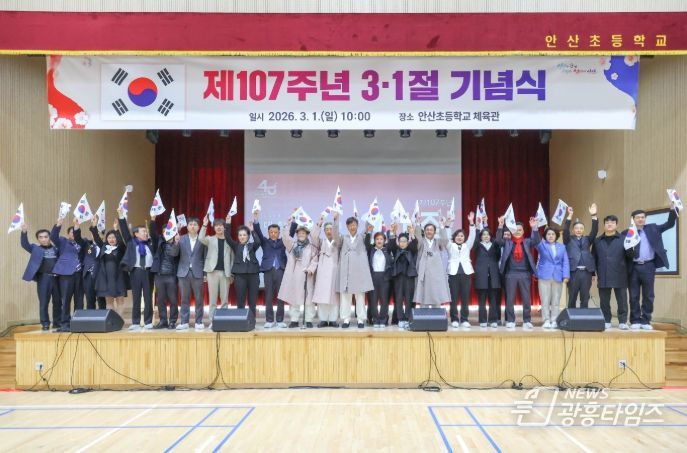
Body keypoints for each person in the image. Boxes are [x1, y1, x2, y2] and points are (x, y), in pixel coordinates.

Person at [626, 205, 677, 330]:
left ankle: (646, 320)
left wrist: (673, 210)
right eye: (638, 217)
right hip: (633, 267)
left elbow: (669, 224)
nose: (640, 219)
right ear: (633, 219)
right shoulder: (628, 233)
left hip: (648, 266)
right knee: (633, 295)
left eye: (643, 217)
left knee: (648, 295)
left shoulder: (653, 228)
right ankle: (635, 320)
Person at [495, 216, 540, 329]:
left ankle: (527, 320)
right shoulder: (508, 242)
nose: (518, 232)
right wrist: (500, 225)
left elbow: (536, 241)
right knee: (510, 299)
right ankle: (510, 320)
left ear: (523, 231)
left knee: (526, 298)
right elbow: (498, 240)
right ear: (511, 231)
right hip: (511, 274)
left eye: (520, 230)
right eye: (515, 230)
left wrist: (534, 228)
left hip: (525, 274)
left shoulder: (527, 241)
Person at [252, 211, 295, 328]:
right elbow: (258, 232)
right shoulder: (265, 241)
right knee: (268, 296)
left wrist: (293, 222)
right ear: (268, 232)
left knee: (281, 296)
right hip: (268, 271)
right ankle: (269, 320)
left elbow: (291, 234)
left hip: (280, 270)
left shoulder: (283, 241)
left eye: (275, 232)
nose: (273, 234)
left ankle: (280, 320)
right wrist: (256, 219)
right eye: (271, 232)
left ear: (279, 233)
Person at [119, 208, 158, 331]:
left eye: (146, 231)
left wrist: (153, 220)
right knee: (136, 298)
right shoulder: (131, 243)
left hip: (148, 272)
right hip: (136, 272)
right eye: (143, 232)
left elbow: (153, 233)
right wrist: (121, 216)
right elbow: (125, 231)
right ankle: (135, 322)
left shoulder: (150, 243)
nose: (146, 233)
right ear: (136, 234)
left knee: (148, 297)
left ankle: (148, 322)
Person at [592, 215, 632, 330]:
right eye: (607, 222)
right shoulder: (597, 241)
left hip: (620, 274)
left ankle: (623, 321)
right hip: (603, 274)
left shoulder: (624, 239)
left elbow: (629, 258)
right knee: (604, 300)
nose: (609, 224)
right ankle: (606, 320)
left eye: (612, 222)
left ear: (616, 225)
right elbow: (593, 258)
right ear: (604, 225)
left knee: (622, 300)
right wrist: (593, 273)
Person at [20, 224, 61, 331]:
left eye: (46, 237)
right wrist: (24, 232)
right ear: (38, 239)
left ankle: (57, 322)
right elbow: (24, 244)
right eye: (41, 237)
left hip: (57, 279)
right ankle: (45, 323)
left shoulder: (56, 249)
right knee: (44, 302)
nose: (43, 239)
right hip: (43, 279)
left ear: (49, 237)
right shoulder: (35, 248)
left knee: (57, 302)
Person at [279, 220, 319, 328]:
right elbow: (285, 238)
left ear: (307, 234)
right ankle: (294, 319)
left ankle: (309, 320)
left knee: (308, 300)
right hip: (295, 276)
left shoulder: (311, 247)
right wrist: (287, 225)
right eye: (299, 233)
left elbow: (315, 260)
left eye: (303, 233)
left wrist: (310, 269)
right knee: (294, 298)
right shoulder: (293, 245)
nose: (301, 234)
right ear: (297, 234)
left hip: (307, 276)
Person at [336, 216, 374, 328]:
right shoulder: (343, 238)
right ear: (347, 227)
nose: (352, 227)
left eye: (354, 225)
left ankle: (361, 319)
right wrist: (336, 221)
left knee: (360, 297)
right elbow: (335, 235)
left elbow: (367, 229)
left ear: (357, 226)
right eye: (350, 225)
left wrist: (370, 216)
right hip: (346, 272)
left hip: (359, 272)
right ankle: (346, 319)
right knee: (345, 297)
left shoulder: (362, 237)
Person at [50, 217, 84, 332]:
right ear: (68, 234)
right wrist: (58, 224)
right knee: (66, 299)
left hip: (79, 273)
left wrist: (76, 226)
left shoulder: (82, 242)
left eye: (75, 232)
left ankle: (78, 322)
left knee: (79, 299)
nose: (73, 234)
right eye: (71, 232)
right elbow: (53, 237)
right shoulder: (63, 241)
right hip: (66, 274)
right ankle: (65, 323)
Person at [200, 216, 234, 329]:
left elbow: (232, 258)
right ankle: (212, 321)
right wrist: (204, 225)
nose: (219, 227)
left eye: (221, 225)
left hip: (225, 273)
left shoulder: (229, 241)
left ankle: (223, 321)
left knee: (224, 299)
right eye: (217, 226)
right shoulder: (210, 239)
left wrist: (232, 274)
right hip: (212, 272)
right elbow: (200, 238)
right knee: (213, 299)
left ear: (224, 227)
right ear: (214, 228)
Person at [89, 216, 128, 314]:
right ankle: (111, 320)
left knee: (120, 301)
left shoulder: (120, 248)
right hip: (105, 278)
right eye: (109, 237)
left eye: (113, 237)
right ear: (106, 239)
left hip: (119, 277)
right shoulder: (103, 247)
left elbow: (121, 242)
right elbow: (96, 238)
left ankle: (119, 320)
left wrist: (116, 229)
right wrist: (94, 226)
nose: (111, 239)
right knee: (109, 302)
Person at [225, 215, 262, 318]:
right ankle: (240, 320)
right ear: (238, 237)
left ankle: (252, 321)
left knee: (252, 301)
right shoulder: (236, 246)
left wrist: (252, 230)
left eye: (244, 235)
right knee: (240, 300)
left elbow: (258, 242)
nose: (242, 237)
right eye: (240, 235)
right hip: (240, 276)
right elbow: (227, 237)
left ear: (248, 236)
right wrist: (228, 224)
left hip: (253, 275)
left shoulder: (252, 246)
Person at [562, 204, 598, 308]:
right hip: (573, 272)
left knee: (585, 297)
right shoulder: (568, 239)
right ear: (573, 230)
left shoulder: (588, 239)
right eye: (576, 228)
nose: (579, 230)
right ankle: (571, 316)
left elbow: (594, 231)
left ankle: (584, 316)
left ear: (583, 230)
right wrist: (570, 215)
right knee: (572, 297)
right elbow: (565, 230)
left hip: (586, 272)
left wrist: (593, 215)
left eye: (581, 228)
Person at [310, 212, 341, 327]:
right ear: (324, 231)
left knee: (334, 297)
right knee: (322, 296)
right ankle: (323, 319)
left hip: (334, 272)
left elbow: (337, 234)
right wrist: (319, 224)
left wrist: (335, 220)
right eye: (327, 229)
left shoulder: (338, 242)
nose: (329, 231)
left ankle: (333, 319)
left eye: (331, 229)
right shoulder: (321, 242)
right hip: (322, 273)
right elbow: (313, 237)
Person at [535, 227, 570, 329]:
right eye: (548, 234)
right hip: (544, 275)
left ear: (556, 236)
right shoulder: (541, 245)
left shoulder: (562, 247)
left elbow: (565, 262)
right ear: (545, 236)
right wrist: (534, 228)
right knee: (545, 300)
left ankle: (554, 320)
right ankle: (546, 320)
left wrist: (566, 275)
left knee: (556, 300)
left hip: (557, 275)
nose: (550, 236)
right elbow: (535, 239)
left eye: (553, 234)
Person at [176, 217, 207, 331]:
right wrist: (176, 242)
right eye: (191, 224)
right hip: (183, 273)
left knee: (199, 298)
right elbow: (174, 254)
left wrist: (205, 274)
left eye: (195, 224)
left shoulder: (202, 239)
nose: (193, 226)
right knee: (184, 298)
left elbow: (205, 257)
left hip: (198, 273)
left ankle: (198, 321)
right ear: (187, 226)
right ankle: (184, 322)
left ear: (199, 227)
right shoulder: (181, 238)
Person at [447, 212, 476, 328]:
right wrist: (448, 225)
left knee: (465, 298)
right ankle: (454, 319)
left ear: (464, 238)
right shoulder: (450, 245)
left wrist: (471, 222)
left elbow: (472, 236)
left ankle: (464, 319)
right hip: (453, 274)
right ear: (454, 237)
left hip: (466, 274)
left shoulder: (467, 246)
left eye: (462, 236)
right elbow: (446, 237)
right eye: (458, 236)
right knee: (453, 298)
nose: (460, 237)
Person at [413, 215, 451, 307]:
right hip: (424, 274)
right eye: (427, 230)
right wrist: (417, 224)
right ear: (424, 231)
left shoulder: (438, 242)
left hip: (436, 275)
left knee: (436, 300)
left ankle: (437, 315)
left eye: (431, 230)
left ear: (434, 232)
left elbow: (445, 240)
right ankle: (423, 315)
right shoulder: (421, 242)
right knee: (423, 299)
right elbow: (417, 237)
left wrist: (442, 226)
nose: (429, 231)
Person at [388, 224, 418, 329]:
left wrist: (412, 233)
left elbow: (414, 244)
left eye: (405, 241)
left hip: (409, 278)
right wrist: (392, 232)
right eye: (401, 241)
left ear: (407, 242)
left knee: (409, 299)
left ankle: (408, 319)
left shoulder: (411, 250)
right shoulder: (396, 250)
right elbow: (391, 245)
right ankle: (400, 319)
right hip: (398, 278)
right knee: (399, 299)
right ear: (398, 242)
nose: (402, 243)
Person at [473, 222, 501, 329]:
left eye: (488, 234)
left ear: (490, 236)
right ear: (480, 236)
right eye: (484, 234)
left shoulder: (494, 245)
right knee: (482, 300)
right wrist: (477, 229)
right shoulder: (477, 245)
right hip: (481, 276)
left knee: (493, 299)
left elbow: (498, 256)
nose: (486, 236)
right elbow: (475, 241)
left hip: (493, 276)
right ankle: (483, 320)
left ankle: (493, 320)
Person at [364, 224, 393, 328]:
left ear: (384, 240)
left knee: (384, 300)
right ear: (374, 240)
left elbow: (393, 243)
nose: (379, 241)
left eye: (381, 239)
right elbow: (366, 243)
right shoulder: (371, 249)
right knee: (373, 300)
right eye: (377, 239)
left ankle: (383, 319)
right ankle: (375, 319)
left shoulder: (387, 249)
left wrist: (392, 232)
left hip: (385, 278)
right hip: (373, 277)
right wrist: (369, 232)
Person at [151, 226, 180, 329]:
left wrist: (176, 242)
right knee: (160, 300)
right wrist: (153, 221)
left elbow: (176, 254)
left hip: (171, 276)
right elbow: (153, 233)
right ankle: (163, 321)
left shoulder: (177, 244)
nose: (166, 233)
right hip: (159, 276)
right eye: (164, 232)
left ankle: (172, 321)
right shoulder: (159, 242)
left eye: (169, 231)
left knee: (173, 300)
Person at [76, 223, 103, 311]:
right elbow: (78, 238)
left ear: (102, 236)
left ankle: (102, 317)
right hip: (87, 275)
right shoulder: (86, 244)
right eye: (94, 233)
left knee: (101, 299)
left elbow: (97, 238)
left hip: (100, 276)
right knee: (90, 299)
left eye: (99, 233)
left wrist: (94, 229)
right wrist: (76, 226)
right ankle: (91, 317)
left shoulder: (104, 246)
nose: (96, 235)